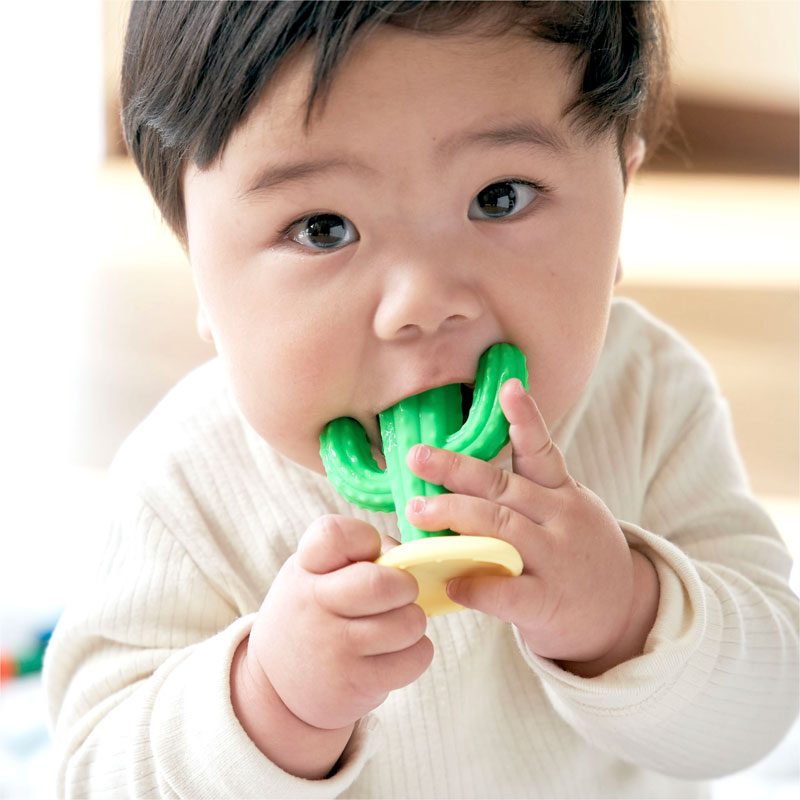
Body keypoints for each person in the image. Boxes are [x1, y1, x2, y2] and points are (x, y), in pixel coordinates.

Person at [44, 2, 798, 797]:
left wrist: (625, 617)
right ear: (198, 269)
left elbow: (763, 706)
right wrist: (270, 704)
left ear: (621, 198)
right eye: (323, 228)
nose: (422, 302)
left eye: (500, 196)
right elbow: (93, 774)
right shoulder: (185, 487)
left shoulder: (646, 395)